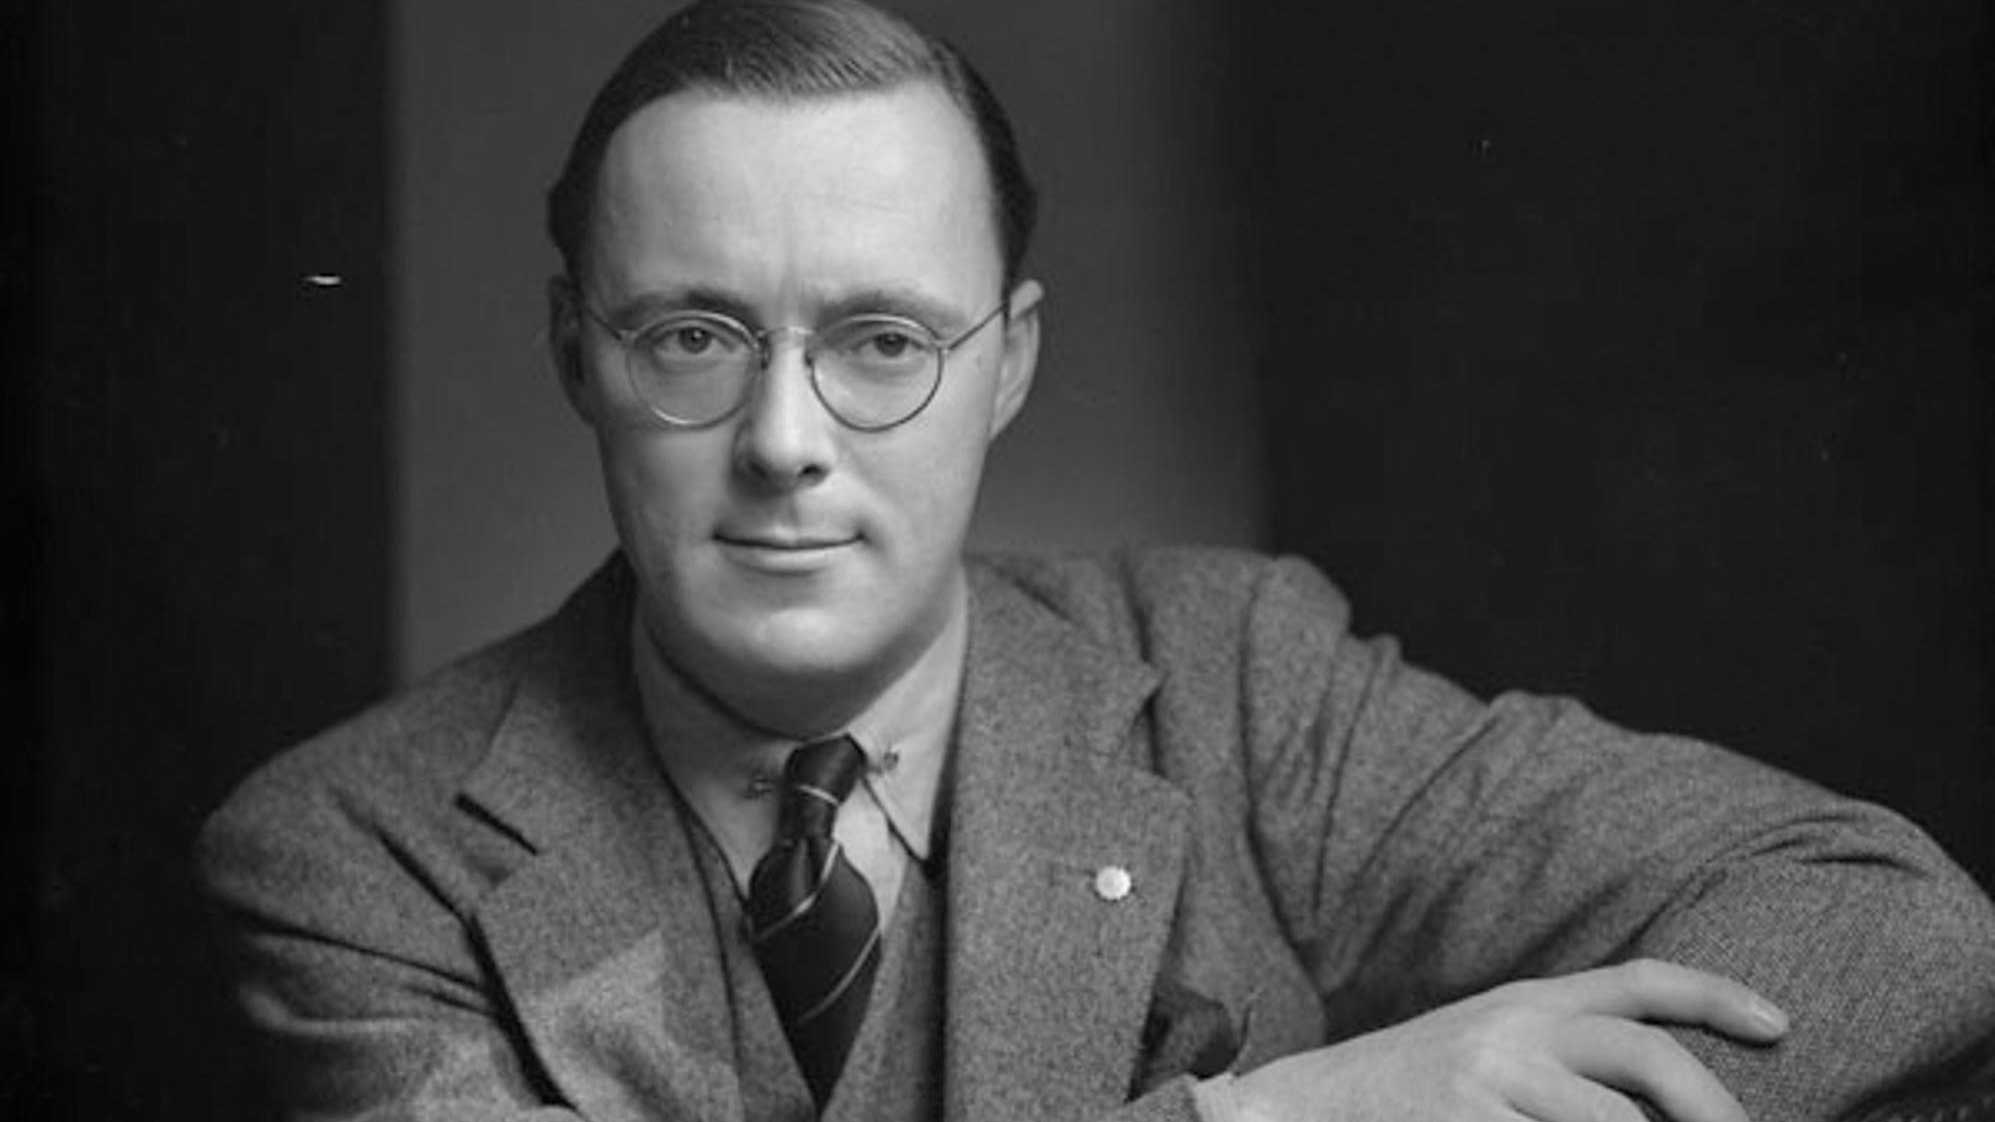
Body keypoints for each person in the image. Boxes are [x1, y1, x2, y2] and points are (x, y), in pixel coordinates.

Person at [196, 1, 1995, 1119]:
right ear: (575, 356)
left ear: (1011, 365)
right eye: (692, 335)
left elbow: (1890, 920)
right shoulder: (355, 851)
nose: (785, 437)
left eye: (884, 341)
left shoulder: (1237, 678)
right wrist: (1279, 1121)